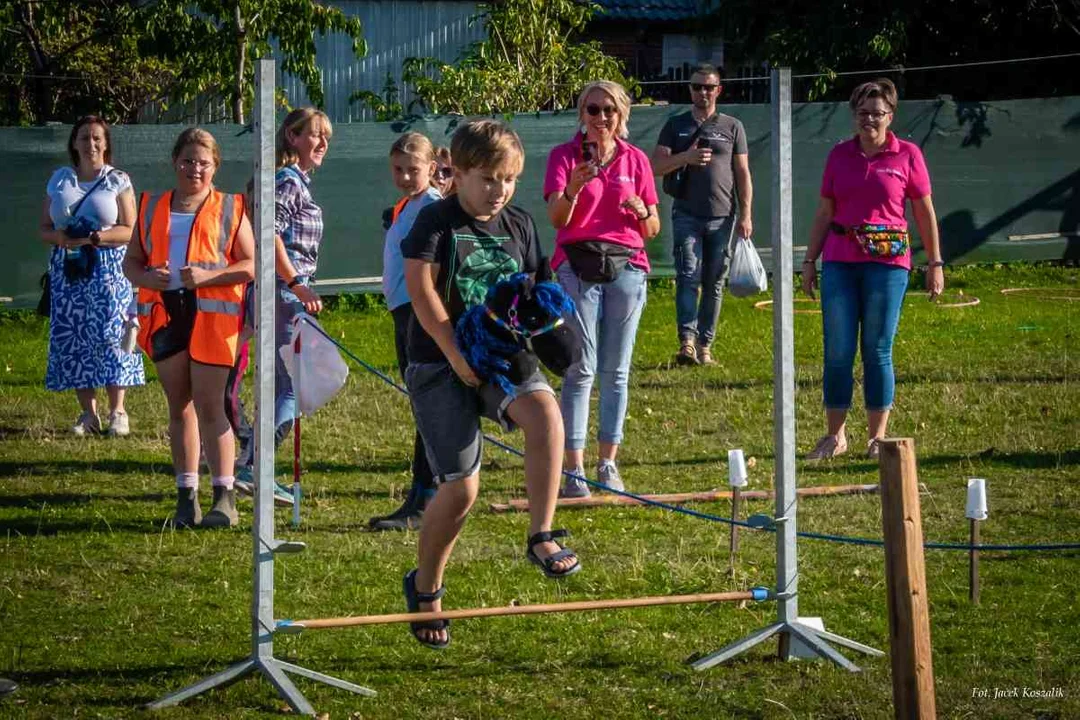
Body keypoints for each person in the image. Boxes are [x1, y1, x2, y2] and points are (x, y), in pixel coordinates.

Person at [401, 119, 579, 649]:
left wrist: (555, 329)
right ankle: (426, 587)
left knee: (547, 415)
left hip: (502, 353)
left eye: (508, 179)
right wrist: (455, 356)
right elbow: (422, 293)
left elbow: (537, 287)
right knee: (461, 488)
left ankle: (541, 535)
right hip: (438, 359)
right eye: (488, 178)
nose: (499, 190)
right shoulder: (434, 220)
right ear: (456, 172)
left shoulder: (520, 223)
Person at [801, 79, 945, 461]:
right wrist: (809, 261)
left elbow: (924, 211)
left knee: (877, 349)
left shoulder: (908, 155)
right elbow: (825, 211)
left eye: (877, 113)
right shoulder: (839, 156)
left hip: (888, 265)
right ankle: (835, 435)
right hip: (839, 262)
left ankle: (876, 438)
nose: (870, 120)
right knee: (838, 349)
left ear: (891, 115)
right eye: (863, 113)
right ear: (854, 115)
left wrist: (935, 263)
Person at [124, 128, 255, 528]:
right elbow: (131, 262)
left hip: (213, 317)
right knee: (179, 406)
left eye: (203, 162)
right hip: (165, 313)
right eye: (187, 161)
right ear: (174, 162)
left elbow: (250, 264)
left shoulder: (231, 206)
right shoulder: (150, 205)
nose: (194, 169)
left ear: (215, 166)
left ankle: (224, 497)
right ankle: (186, 497)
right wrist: (148, 279)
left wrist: (206, 277)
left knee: (210, 405)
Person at [543, 80, 660, 498]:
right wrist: (574, 186)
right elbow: (557, 219)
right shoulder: (563, 156)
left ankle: (608, 462)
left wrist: (642, 208)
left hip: (627, 265)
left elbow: (652, 228)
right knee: (580, 367)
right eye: (593, 110)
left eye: (609, 110)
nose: (601, 118)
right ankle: (573, 469)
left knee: (617, 370)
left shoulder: (636, 159)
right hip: (577, 264)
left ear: (622, 114)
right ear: (582, 114)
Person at [227, 108, 332, 502]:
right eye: (314, 135)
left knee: (281, 386)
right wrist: (297, 282)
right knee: (290, 387)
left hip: (278, 291)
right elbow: (267, 233)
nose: (322, 143)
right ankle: (253, 467)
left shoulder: (291, 181)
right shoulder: (288, 181)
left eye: (326, 137)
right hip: (283, 291)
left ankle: (255, 465)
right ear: (292, 136)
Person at [39, 115, 145, 436]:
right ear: (74, 143)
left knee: (113, 336)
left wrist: (99, 237)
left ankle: (118, 412)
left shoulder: (117, 180)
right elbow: (43, 227)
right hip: (69, 269)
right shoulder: (60, 180)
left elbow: (132, 229)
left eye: (97, 138)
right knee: (74, 338)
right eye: (84, 138)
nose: (91, 144)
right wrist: (59, 237)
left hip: (109, 269)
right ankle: (89, 413)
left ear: (106, 144)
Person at [650, 63, 753, 366]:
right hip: (686, 214)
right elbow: (655, 167)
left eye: (709, 87)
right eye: (697, 87)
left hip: (724, 216)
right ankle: (687, 343)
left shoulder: (733, 126)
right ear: (690, 90)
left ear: (719, 90)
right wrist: (686, 157)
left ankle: (706, 345)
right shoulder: (675, 124)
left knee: (714, 282)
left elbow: (743, 172)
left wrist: (746, 214)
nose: (703, 92)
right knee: (687, 277)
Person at [368, 132, 442, 531]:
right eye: (398, 169)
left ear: (431, 168)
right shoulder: (406, 206)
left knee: (427, 401)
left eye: (414, 169)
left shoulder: (432, 205)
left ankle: (427, 493)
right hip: (402, 311)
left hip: (419, 312)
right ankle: (420, 491)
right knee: (419, 400)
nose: (405, 176)